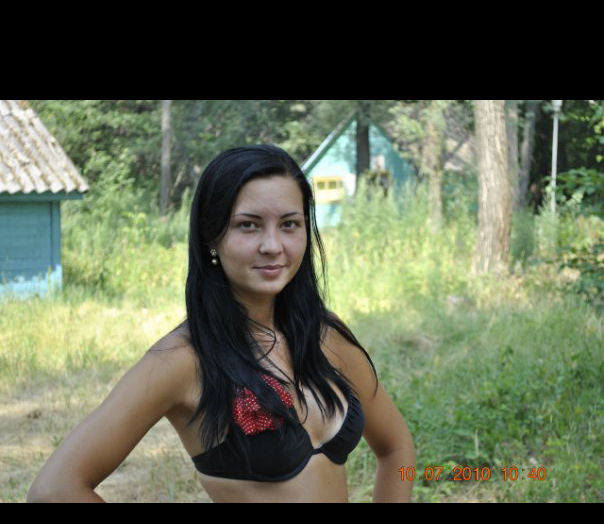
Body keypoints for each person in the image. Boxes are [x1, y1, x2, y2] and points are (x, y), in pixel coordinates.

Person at [27, 144, 415, 503]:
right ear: (211, 235)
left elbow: (398, 449)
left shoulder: (324, 334)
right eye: (248, 225)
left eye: (289, 224)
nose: (273, 245)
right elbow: (54, 490)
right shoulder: (182, 360)